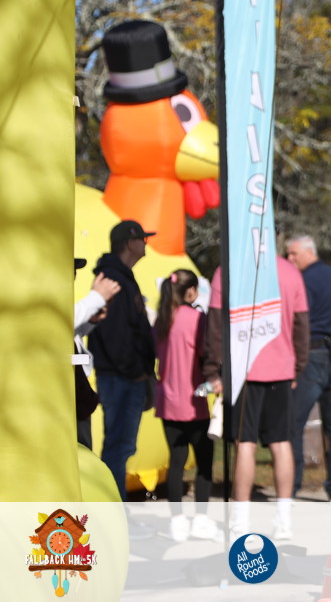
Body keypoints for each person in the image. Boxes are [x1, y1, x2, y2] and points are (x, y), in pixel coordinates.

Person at [204, 255, 309, 539]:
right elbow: (301, 325)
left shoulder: (228, 268)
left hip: (243, 370)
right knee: (281, 443)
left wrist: (213, 369)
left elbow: (215, 325)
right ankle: (284, 521)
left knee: (245, 444)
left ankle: (240, 522)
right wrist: (297, 366)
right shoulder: (289, 271)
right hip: (280, 368)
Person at [88, 220, 157, 500]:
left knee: (120, 448)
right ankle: (114, 512)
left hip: (124, 377)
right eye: (143, 239)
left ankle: (114, 510)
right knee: (118, 448)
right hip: (121, 378)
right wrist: (136, 372)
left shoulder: (122, 277)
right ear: (130, 243)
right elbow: (114, 334)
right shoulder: (113, 280)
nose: (146, 244)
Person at [285, 235, 331, 502]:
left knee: (294, 421)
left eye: (293, 253)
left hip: (312, 354)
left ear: (308, 252)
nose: (289, 259)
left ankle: (291, 488)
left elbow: (296, 316)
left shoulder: (303, 279)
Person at [153, 269, 221, 542]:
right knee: (204, 462)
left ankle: (177, 521)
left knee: (176, 461)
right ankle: (201, 519)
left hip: (168, 401)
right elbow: (209, 354)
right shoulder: (198, 319)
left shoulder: (162, 321)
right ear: (191, 291)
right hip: (195, 401)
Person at [74, 259, 121, 449]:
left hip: (77, 395)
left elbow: (69, 333)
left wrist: (90, 321)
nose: (74, 274)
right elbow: (55, 324)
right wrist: (97, 297)